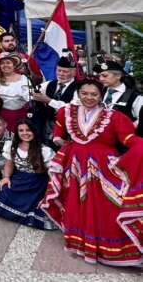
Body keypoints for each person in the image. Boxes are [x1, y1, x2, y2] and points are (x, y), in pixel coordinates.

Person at [41, 79, 143, 266]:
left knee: (107, 206)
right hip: (75, 168)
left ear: (101, 95)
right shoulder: (67, 112)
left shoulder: (114, 117)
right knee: (77, 204)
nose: (89, 97)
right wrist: (58, 139)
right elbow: (59, 130)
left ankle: (112, 249)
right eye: (85, 93)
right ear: (78, 94)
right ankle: (82, 243)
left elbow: (128, 138)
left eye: (94, 94)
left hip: (103, 169)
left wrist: (139, 145)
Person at [0, 119, 56, 230]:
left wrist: (48, 194)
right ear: (17, 132)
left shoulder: (44, 150)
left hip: (37, 182)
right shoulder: (12, 145)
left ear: (34, 131)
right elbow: (9, 163)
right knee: (4, 190)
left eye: (28, 130)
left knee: (33, 204)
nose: (25, 133)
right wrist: (6, 177)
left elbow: (53, 174)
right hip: (20, 177)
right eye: (21, 130)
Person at [31, 54, 80, 143]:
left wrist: (48, 101)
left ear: (74, 72)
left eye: (65, 71)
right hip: (48, 128)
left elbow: (72, 108)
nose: (61, 74)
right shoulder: (49, 84)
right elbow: (31, 92)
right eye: (59, 70)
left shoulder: (79, 88)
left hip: (68, 129)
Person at [96, 60, 143, 135]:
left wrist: (128, 128)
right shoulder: (99, 92)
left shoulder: (135, 97)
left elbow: (141, 120)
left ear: (118, 76)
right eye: (99, 76)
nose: (101, 79)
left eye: (105, 75)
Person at [0, 53, 32, 132]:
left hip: (20, 115)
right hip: (0, 116)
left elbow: (30, 98)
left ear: (14, 65)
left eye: (8, 63)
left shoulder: (23, 78)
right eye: (2, 63)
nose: (5, 65)